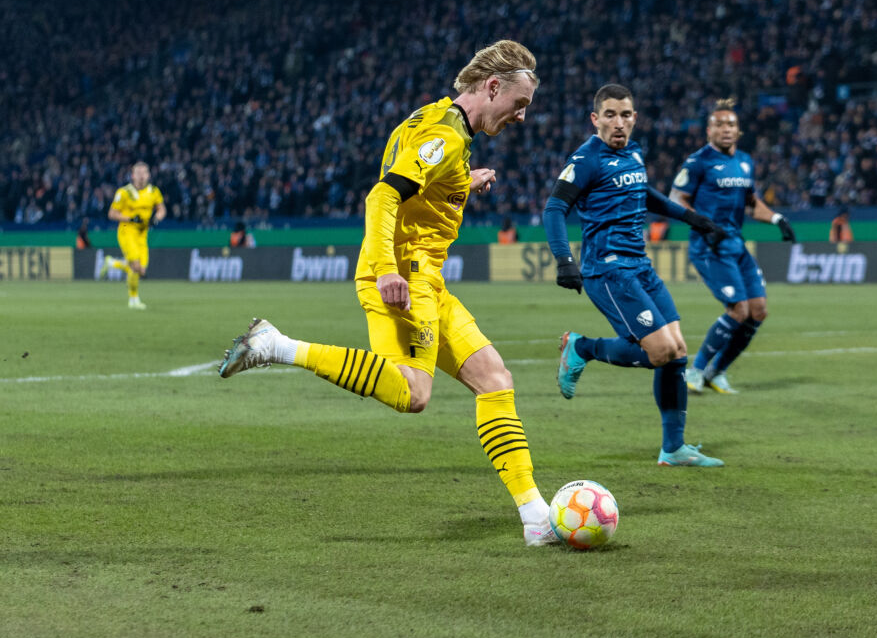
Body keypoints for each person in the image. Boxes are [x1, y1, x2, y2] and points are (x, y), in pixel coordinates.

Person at [218, 40, 560, 546]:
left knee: (494, 379)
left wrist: (461, 181)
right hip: (403, 277)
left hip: (427, 278)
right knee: (413, 393)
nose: (522, 116)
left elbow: (417, 177)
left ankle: (536, 519)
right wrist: (384, 270)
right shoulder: (444, 135)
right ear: (492, 87)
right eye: (520, 103)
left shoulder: (438, 119)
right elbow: (383, 194)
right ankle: (276, 346)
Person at [543, 83, 727, 467]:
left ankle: (673, 449)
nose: (618, 123)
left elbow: (646, 193)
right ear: (595, 119)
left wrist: (691, 218)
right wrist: (564, 259)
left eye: (625, 115)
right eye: (610, 115)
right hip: (608, 270)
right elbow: (554, 208)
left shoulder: (633, 152)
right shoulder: (587, 159)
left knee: (677, 352)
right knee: (660, 352)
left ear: (634, 118)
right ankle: (582, 348)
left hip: (639, 266)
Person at [669, 99, 795, 395]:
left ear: (738, 131)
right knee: (739, 309)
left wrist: (776, 218)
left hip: (736, 245)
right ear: (709, 130)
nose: (726, 129)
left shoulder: (745, 162)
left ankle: (716, 372)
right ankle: (695, 370)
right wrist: (703, 224)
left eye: (731, 125)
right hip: (709, 247)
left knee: (758, 310)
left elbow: (751, 203)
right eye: (720, 124)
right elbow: (676, 198)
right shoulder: (698, 162)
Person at [98, 161, 166, 309]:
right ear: (132, 176)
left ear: (148, 175)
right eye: (138, 173)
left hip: (143, 234)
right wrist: (130, 218)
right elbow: (112, 213)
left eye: (144, 173)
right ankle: (133, 300)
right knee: (135, 266)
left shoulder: (153, 191)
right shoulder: (124, 193)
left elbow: (162, 209)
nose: (141, 176)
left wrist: (156, 218)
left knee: (141, 270)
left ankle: (112, 263)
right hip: (127, 230)